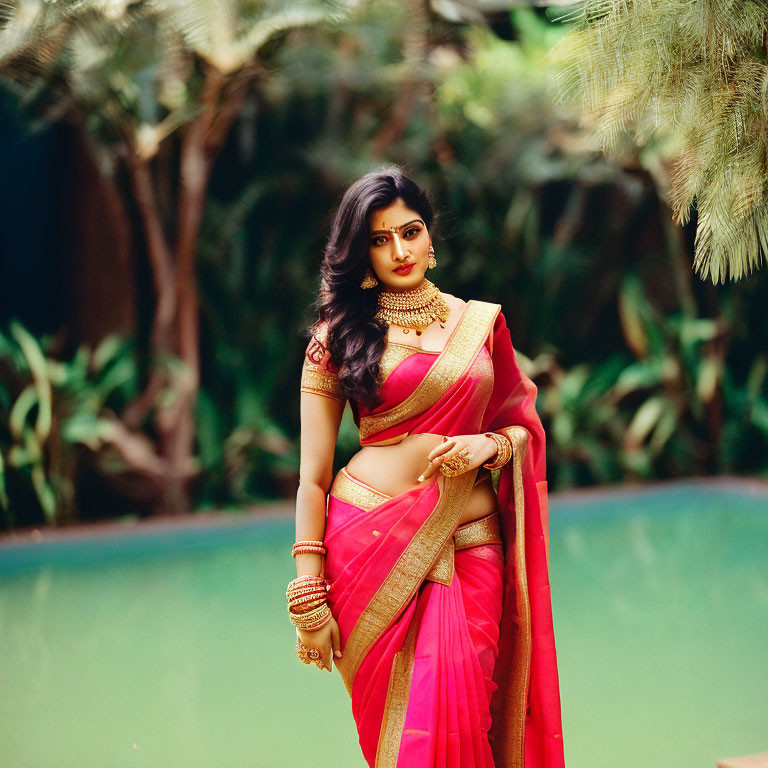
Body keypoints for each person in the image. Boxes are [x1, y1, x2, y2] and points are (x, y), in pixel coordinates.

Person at [286, 167, 565, 768]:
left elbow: (524, 428)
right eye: (380, 240)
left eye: (409, 232)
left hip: (472, 548)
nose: (399, 250)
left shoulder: (480, 325)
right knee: (410, 743)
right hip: (371, 548)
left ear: (430, 236)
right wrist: (309, 595)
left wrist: (486, 448)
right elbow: (311, 476)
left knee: (470, 721)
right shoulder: (337, 336)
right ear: (361, 253)